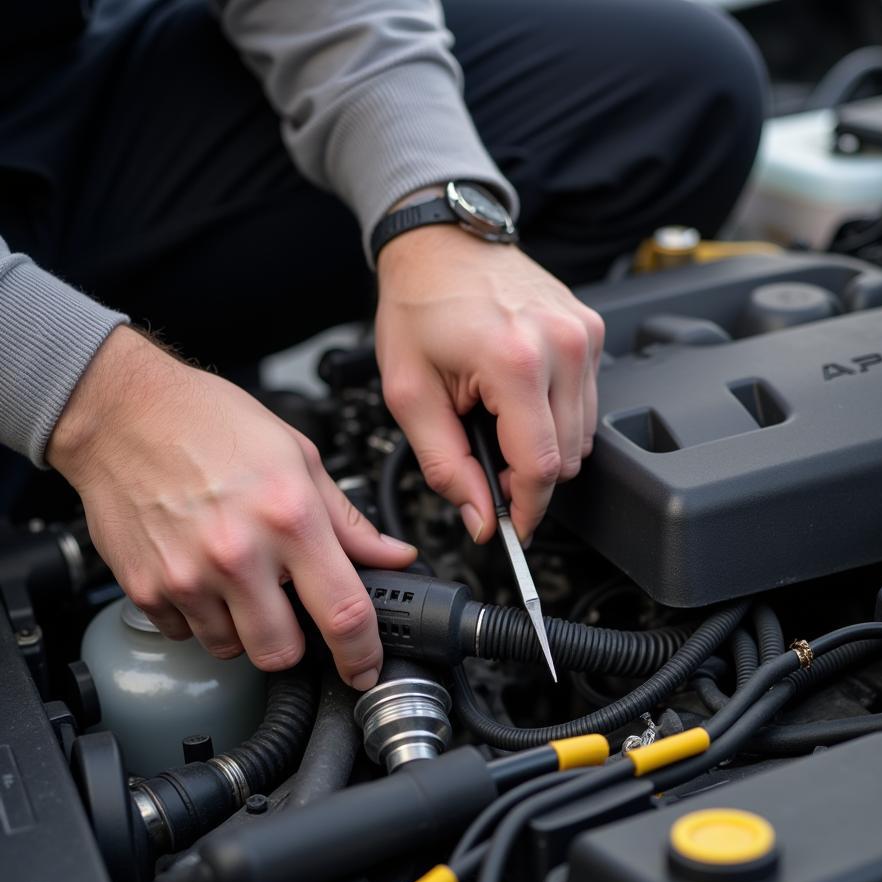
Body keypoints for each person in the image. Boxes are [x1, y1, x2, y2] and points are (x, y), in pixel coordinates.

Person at [0, 0, 765, 690]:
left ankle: (355, 411)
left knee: (673, 78)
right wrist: (95, 402)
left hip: (46, 87)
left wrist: (430, 211)